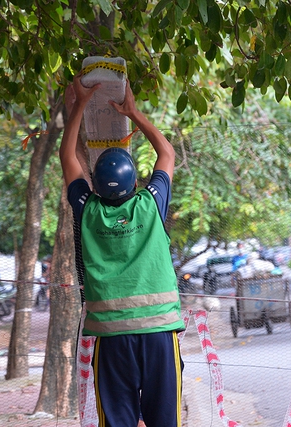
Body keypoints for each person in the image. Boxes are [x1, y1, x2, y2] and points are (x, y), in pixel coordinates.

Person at [60, 73, 185, 427]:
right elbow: (167, 152)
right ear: (136, 182)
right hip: (159, 336)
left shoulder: (87, 211)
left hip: (112, 342)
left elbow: (66, 155)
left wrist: (80, 105)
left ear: (95, 185)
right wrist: (133, 112)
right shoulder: (151, 204)